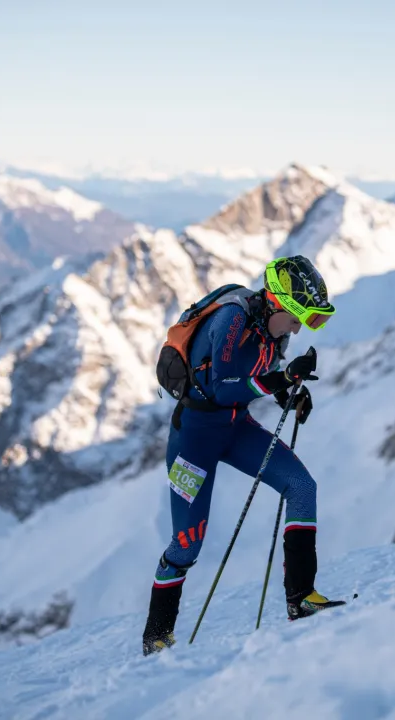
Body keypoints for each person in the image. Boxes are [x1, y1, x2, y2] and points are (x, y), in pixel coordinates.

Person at [142, 255, 344, 656]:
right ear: (277, 302)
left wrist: (292, 392)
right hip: (194, 438)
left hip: (235, 429)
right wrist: (282, 380)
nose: (301, 326)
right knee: (187, 545)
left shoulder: (275, 331)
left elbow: (262, 378)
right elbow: (223, 389)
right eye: (299, 316)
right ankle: (156, 636)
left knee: (302, 486)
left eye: (311, 320)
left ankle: (301, 597)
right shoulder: (232, 320)